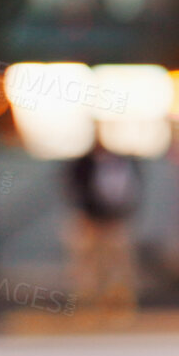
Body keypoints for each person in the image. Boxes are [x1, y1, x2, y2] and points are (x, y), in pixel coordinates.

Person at [63, 137, 143, 326]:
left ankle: (118, 308)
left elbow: (133, 190)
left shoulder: (124, 163)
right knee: (87, 268)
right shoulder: (83, 164)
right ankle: (87, 308)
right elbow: (74, 190)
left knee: (118, 267)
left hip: (116, 221)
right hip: (90, 221)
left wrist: (121, 212)